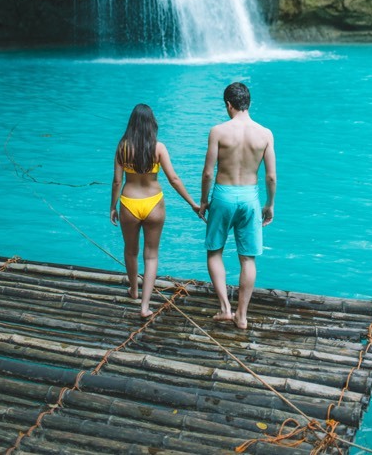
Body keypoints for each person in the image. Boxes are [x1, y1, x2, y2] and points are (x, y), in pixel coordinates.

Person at [110, 103, 200, 318]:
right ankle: (145, 307)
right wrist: (193, 203)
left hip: (129, 203)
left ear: (132, 123)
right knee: (151, 256)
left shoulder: (122, 147)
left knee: (130, 251)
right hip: (154, 204)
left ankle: (134, 290)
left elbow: (116, 181)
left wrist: (113, 207)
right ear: (152, 123)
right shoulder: (158, 148)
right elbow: (174, 179)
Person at [199, 82, 276, 329]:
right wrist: (270, 204)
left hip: (223, 195)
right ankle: (242, 316)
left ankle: (225, 308)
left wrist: (203, 200)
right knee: (248, 259)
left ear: (228, 105)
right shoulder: (265, 134)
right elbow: (271, 176)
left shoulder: (218, 131)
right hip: (250, 198)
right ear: (249, 103)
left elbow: (208, 173)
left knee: (214, 251)